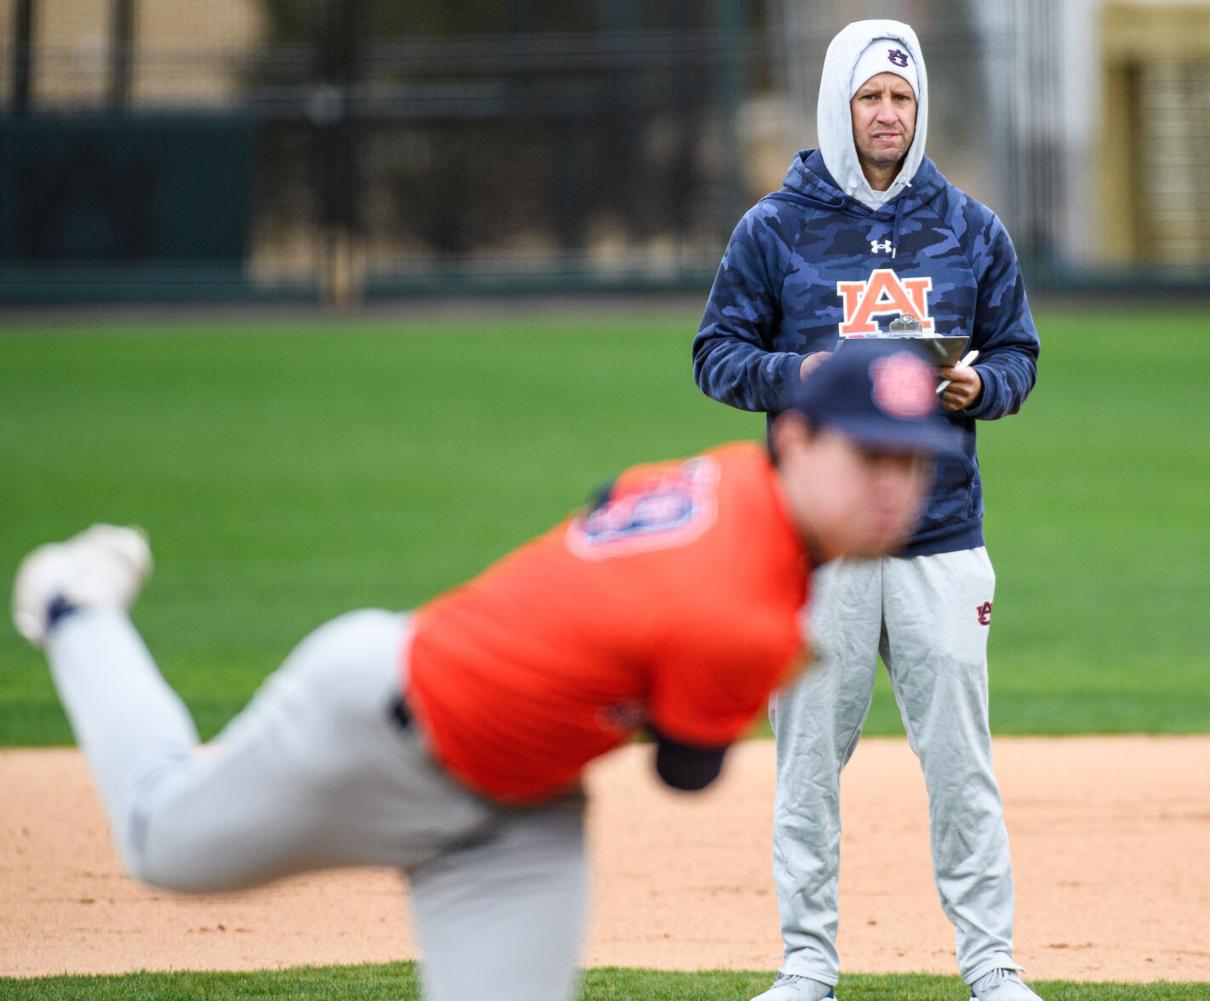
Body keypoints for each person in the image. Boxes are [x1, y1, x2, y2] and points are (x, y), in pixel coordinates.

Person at [10, 341, 958, 1001]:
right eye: (869, 454)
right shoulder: (741, 622)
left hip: (520, 818)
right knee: (160, 839)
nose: (894, 487)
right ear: (795, 438)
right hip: (381, 726)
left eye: (913, 463)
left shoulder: (729, 473)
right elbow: (686, 767)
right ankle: (77, 608)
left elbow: (613, 493)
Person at [692, 18, 1042, 1001]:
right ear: (837, 106)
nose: (888, 114)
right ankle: (807, 963)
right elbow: (714, 353)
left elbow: (1020, 351)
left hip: (942, 531)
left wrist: (985, 386)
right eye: (870, 97)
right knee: (807, 759)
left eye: (902, 97)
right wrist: (792, 374)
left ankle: (992, 964)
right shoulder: (773, 228)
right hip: (817, 543)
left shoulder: (972, 227)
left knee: (962, 764)